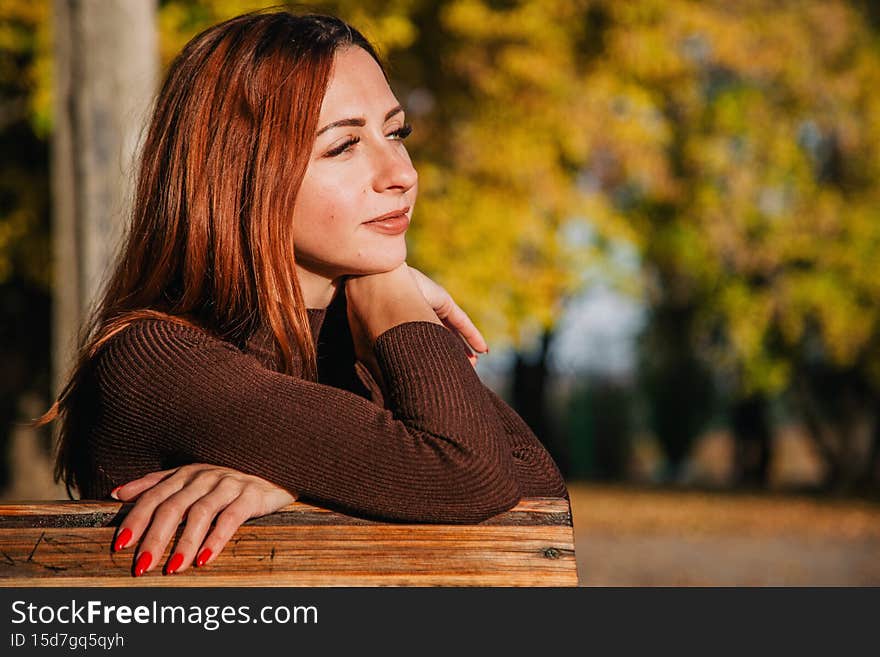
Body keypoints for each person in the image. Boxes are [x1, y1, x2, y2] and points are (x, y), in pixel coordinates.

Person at [37, 9, 566, 578]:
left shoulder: (348, 338)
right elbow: (471, 473)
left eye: (395, 133)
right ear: (240, 173)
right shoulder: (153, 361)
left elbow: (538, 496)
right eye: (343, 147)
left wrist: (292, 479)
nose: (401, 173)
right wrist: (393, 286)